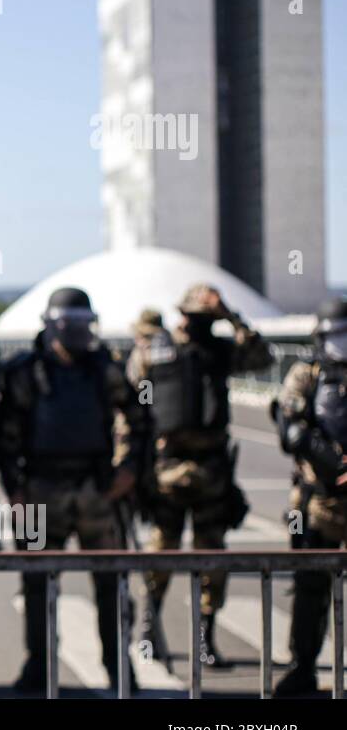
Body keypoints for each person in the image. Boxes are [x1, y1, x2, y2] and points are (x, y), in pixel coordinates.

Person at [0, 288, 147, 694]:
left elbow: (139, 418)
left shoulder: (103, 368)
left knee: (111, 583)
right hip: (41, 490)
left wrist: (129, 468)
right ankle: (39, 666)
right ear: (52, 325)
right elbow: (6, 436)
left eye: (84, 324)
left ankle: (119, 668)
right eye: (70, 325)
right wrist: (15, 490)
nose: (79, 333)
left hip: (97, 490)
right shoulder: (26, 371)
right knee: (38, 583)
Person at [126, 283, 272, 667]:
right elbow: (133, 400)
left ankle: (205, 639)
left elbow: (262, 358)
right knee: (161, 554)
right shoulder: (155, 349)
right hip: (166, 470)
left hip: (212, 471)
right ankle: (148, 632)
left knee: (213, 560)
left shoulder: (220, 351)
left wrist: (232, 316)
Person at [271, 296, 347, 697]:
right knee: (310, 587)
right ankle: (303, 667)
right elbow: (292, 432)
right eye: (335, 334)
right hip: (320, 500)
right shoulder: (307, 373)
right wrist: (336, 465)